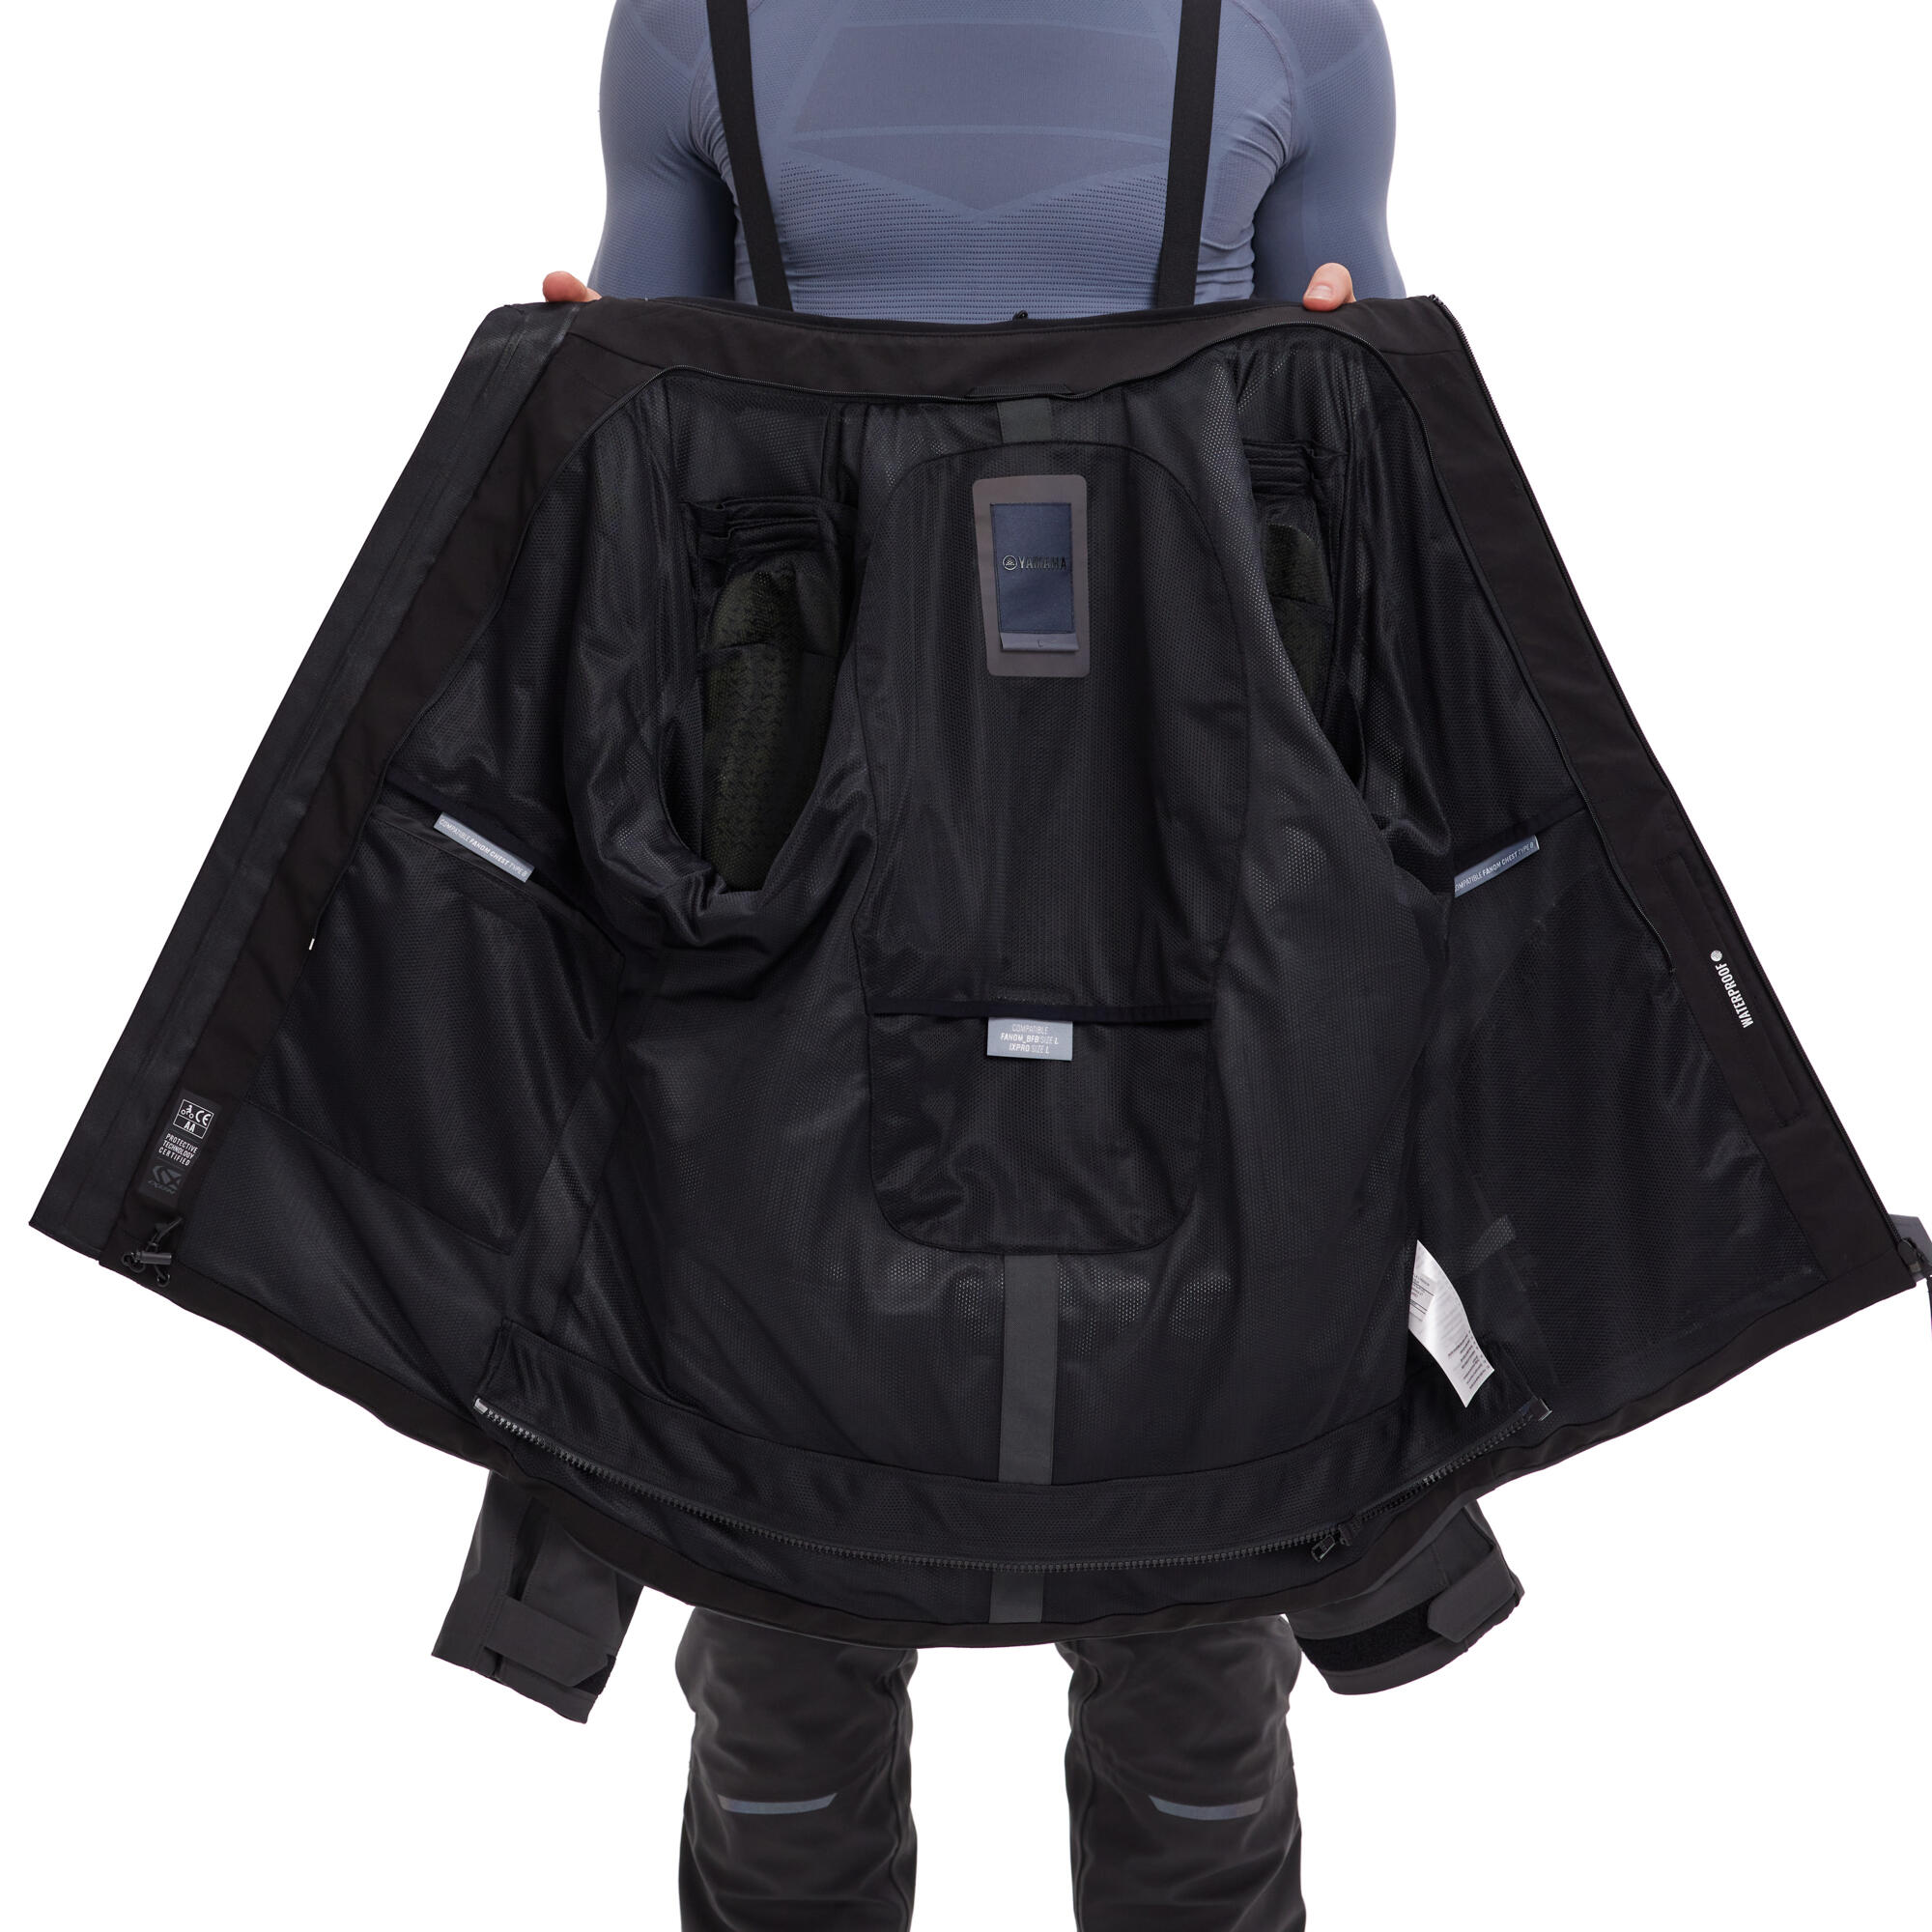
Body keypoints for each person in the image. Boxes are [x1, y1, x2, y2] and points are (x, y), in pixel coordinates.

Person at [528, 6, 1404, 1928]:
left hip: (1175, 834)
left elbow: (1376, 451)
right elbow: (648, 444)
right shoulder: (695, 23)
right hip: (795, 833)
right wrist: (586, 385)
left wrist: (1348, 356)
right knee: (780, 1616)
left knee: (1196, 1619)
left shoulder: (1287, 22)